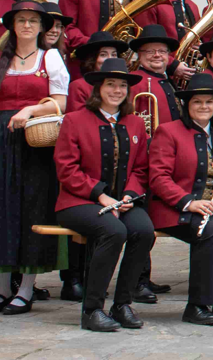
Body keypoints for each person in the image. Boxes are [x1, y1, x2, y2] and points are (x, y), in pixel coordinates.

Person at [0, 0, 68, 314]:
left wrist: (29, 109)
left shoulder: (49, 57)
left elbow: (61, 103)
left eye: (33, 21)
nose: (27, 25)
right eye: (22, 20)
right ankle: (1, 290)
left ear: (41, 27)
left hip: (35, 141)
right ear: (13, 25)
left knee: (32, 209)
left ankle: (25, 289)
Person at [53, 58, 153, 331]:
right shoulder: (74, 120)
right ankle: (92, 309)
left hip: (123, 202)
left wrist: (129, 197)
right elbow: (66, 168)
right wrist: (100, 195)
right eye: (111, 84)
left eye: (122, 85)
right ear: (98, 88)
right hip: (78, 201)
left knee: (143, 231)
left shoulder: (134, 123)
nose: (117, 90)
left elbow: (142, 168)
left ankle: (122, 304)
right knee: (114, 231)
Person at [148, 71, 213, 326]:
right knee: (212, 232)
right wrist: (188, 202)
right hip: (177, 207)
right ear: (187, 104)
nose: (204, 107)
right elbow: (159, 177)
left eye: (209, 102)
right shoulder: (168, 132)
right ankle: (197, 305)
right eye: (197, 102)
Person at [134, 0, 202, 80]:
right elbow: (146, 43)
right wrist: (173, 65)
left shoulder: (192, 6)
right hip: (159, 72)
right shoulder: (151, 3)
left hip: (189, 72)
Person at [128, 24, 182, 133]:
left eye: (162, 51)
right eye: (150, 51)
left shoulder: (169, 81)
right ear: (139, 54)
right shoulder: (133, 81)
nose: (157, 55)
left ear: (168, 55)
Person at [67, 31, 128, 110]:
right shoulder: (78, 86)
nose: (110, 59)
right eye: (103, 55)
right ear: (92, 59)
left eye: (113, 54)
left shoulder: (124, 85)